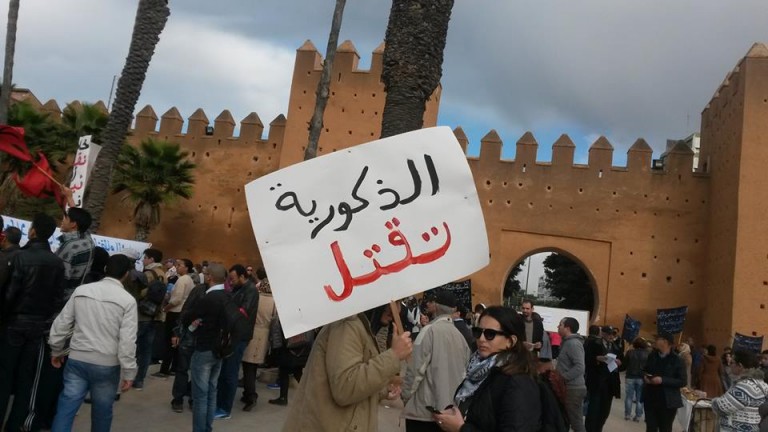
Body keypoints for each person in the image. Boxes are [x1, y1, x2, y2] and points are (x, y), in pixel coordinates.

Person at [48, 254, 138, 432]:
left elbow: (62, 323)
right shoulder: (128, 301)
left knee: (66, 408)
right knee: (102, 412)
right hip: (107, 364)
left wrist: (56, 350)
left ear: (105, 269)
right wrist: (129, 371)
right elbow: (127, 340)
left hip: (77, 359)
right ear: (126, 274)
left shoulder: (82, 291)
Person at [281, 312, 413, 431]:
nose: (396, 309)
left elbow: (358, 382)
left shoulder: (363, 327)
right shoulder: (347, 325)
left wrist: (383, 391)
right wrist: (393, 356)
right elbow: (345, 387)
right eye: (393, 302)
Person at [0, 214, 66, 432]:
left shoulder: (21, 257)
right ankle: (14, 425)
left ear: (33, 231)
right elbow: (58, 299)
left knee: (4, 376)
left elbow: (10, 294)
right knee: (25, 379)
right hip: (38, 328)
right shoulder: (57, 263)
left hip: (14, 324)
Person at [433, 306, 541, 431]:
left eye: (490, 334)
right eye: (478, 332)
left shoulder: (518, 382)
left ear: (511, 341)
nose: (481, 339)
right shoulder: (478, 370)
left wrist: (460, 428)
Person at [402, 290, 471, 432]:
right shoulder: (461, 338)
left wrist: (405, 396)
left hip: (425, 414)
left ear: (436, 306)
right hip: (449, 416)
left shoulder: (428, 331)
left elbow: (415, 369)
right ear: (454, 310)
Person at [183, 263, 228, 432]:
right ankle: (207, 428)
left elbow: (188, 316)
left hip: (204, 349)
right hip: (220, 349)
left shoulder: (208, 298)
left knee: (200, 396)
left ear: (209, 277)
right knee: (211, 391)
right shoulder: (228, 296)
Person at [214, 264, 259, 419]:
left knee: (230, 372)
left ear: (242, 276)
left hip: (239, 336)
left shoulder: (251, 290)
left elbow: (242, 311)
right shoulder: (237, 289)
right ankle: (219, 403)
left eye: (233, 278)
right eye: (229, 279)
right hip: (231, 334)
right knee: (224, 371)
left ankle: (225, 408)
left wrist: (224, 312)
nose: (230, 281)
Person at [170, 275, 207, 413]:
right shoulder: (204, 291)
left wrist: (177, 333)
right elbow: (185, 312)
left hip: (195, 338)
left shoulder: (201, 290)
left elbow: (185, 311)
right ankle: (185, 399)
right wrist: (177, 333)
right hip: (195, 337)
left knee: (186, 370)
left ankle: (180, 399)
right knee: (191, 371)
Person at [132, 248, 166, 391]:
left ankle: (125, 377)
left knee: (131, 346)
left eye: (145, 257)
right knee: (146, 349)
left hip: (142, 314)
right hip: (155, 315)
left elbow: (140, 293)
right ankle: (139, 380)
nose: (143, 260)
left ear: (151, 259)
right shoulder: (163, 274)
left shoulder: (148, 273)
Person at [156, 258, 195, 378]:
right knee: (177, 341)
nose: (177, 267)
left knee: (170, 341)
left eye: (179, 265)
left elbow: (177, 299)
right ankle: (174, 367)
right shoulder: (189, 279)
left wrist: (166, 308)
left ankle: (164, 369)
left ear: (186, 268)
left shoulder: (182, 280)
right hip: (182, 312)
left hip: (175, 312)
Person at [711, 349, 768, 431]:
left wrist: (714, 401)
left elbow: (721, 407)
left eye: (732, 362)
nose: (730, 365)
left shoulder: (745, 386)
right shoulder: (760, 383)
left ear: (740, 366)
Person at [241, 268, 273, 411]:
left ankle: (250, 395)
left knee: (248, 365)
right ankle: (247, 393)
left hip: (252, 332)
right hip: (265, 335)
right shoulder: (274, 302)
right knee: (253, 366)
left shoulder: (256, 298)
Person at [643, 332, 686, 432]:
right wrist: (645, 377)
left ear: (666, 342)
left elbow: (682, 381)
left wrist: (662, 380)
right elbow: (645, 370)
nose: (655, 341)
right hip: (650, 398)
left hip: (668, 402)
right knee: (650, 428)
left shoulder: (677, 360)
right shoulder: (652, 356)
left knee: (665, 428)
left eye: (658, 339)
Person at [55, 207, 96, 302]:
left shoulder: (69, 247)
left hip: (63, 299)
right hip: (77, 295)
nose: (62, 220)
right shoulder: (88, 241)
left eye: (66, 218)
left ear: (73, 224)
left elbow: (60, 278)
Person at [556, 317, 586, 432]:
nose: (558, 327)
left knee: (576, 423)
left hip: (573, 389)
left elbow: (580, 367)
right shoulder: (567, 342)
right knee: (565, 420)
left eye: (560, 325)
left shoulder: (573, 344)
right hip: (567, 388)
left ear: (567, 328)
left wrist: (562, 377)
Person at [584, 325, 611, 432]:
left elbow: (622, 362)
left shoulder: (615, 346)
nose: (610, 336)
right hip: (596, 381)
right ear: (602, 333)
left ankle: (599, 428)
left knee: (604, 411)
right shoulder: (593, 343)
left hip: (609, 383)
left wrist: (619, 362)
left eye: (612, 334)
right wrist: (596, 358)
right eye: (608, 333)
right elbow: (586, 359)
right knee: (593, 409)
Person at [624, 337, 650, 422]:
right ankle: (638, 416)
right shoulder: (648, 354)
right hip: (642, 378)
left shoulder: (630, 352)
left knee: (629, 397)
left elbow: (624, 364)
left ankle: (627, 415)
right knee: (640, 398)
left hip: (630, 376)